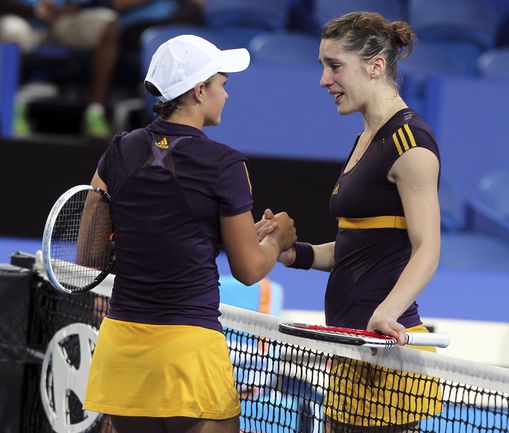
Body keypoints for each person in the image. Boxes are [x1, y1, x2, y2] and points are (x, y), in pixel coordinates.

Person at [82, 34, 297, 433]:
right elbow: (249, 269)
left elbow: (90, 256)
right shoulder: (224, 164)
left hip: (123, 351)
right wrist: (276, 239)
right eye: (222, 84)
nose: (226, 95)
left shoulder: (119, 150)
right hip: (189, 351)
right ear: (200, 91)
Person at [260, 11, 442, 433]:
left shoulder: (410, 144)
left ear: (375, 65)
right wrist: (293, 253)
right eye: (323, 66)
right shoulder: (365, 139)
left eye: (335, 66)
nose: (324, 80)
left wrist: (386, 314)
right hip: (351, 349)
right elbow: (358, 247)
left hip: (387, 359)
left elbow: (428, 248)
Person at [0, 0, 118, 138]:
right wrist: (33, 9)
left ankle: (96, 111)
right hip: (22, 18)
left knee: (108, 21)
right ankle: (11, 109)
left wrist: (69, 8)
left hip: (63, 19)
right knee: (10, 30)